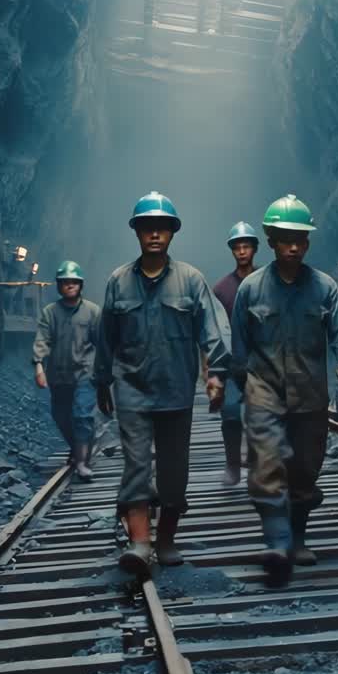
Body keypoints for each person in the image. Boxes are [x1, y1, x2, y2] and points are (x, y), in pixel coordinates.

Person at [95, 191, 230, 574]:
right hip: (132, 390)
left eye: (162, 228)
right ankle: (140, 543)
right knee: (136, 465)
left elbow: (212, 330)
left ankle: (167, 538)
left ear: (172, 232)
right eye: (147, 227)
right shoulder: (119, 282)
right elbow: (105, 338)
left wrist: (216, 374)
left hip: (176, 391)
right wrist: (102, 381)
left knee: (174, 472)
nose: (155, 234)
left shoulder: (190, 280)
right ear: (137, 232)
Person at [232, 194, 338, 587]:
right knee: (267, 466)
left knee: (305, 470)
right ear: (271, 240)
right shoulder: (251, 289)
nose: (293, 247)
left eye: (300, 239)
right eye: (286, 239)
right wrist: (241, 388)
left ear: (308, 242)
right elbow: (239, 345)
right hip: (264, 391)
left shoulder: (324, 288)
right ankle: (277, 542)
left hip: (309, 394)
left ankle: (298, 536)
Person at [32, 260, 101, 481]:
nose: (70, 285)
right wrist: (39, 365)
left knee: (82, 415)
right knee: (61, 416)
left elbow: (102, 342)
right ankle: (79, 447)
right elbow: (42, 339)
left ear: (81, 285)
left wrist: (107, 371)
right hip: (59, 375)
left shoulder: (92, 311)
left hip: (85, 372)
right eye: (65, 282)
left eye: (74, 282)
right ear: (59, 285)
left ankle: (82, 463)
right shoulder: (50, 313)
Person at [212, 221, 260, 486]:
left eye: (246, 246)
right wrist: (213, 370)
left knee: (260, 415)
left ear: (254, 248)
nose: (242, 251)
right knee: (230, 412)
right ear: (232, 250)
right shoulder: (221, 289)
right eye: (237, 247)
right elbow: (214, 329)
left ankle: (255, 462)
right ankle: (232, 465)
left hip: (261, 363)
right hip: (231, 364)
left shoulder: (267, 282)